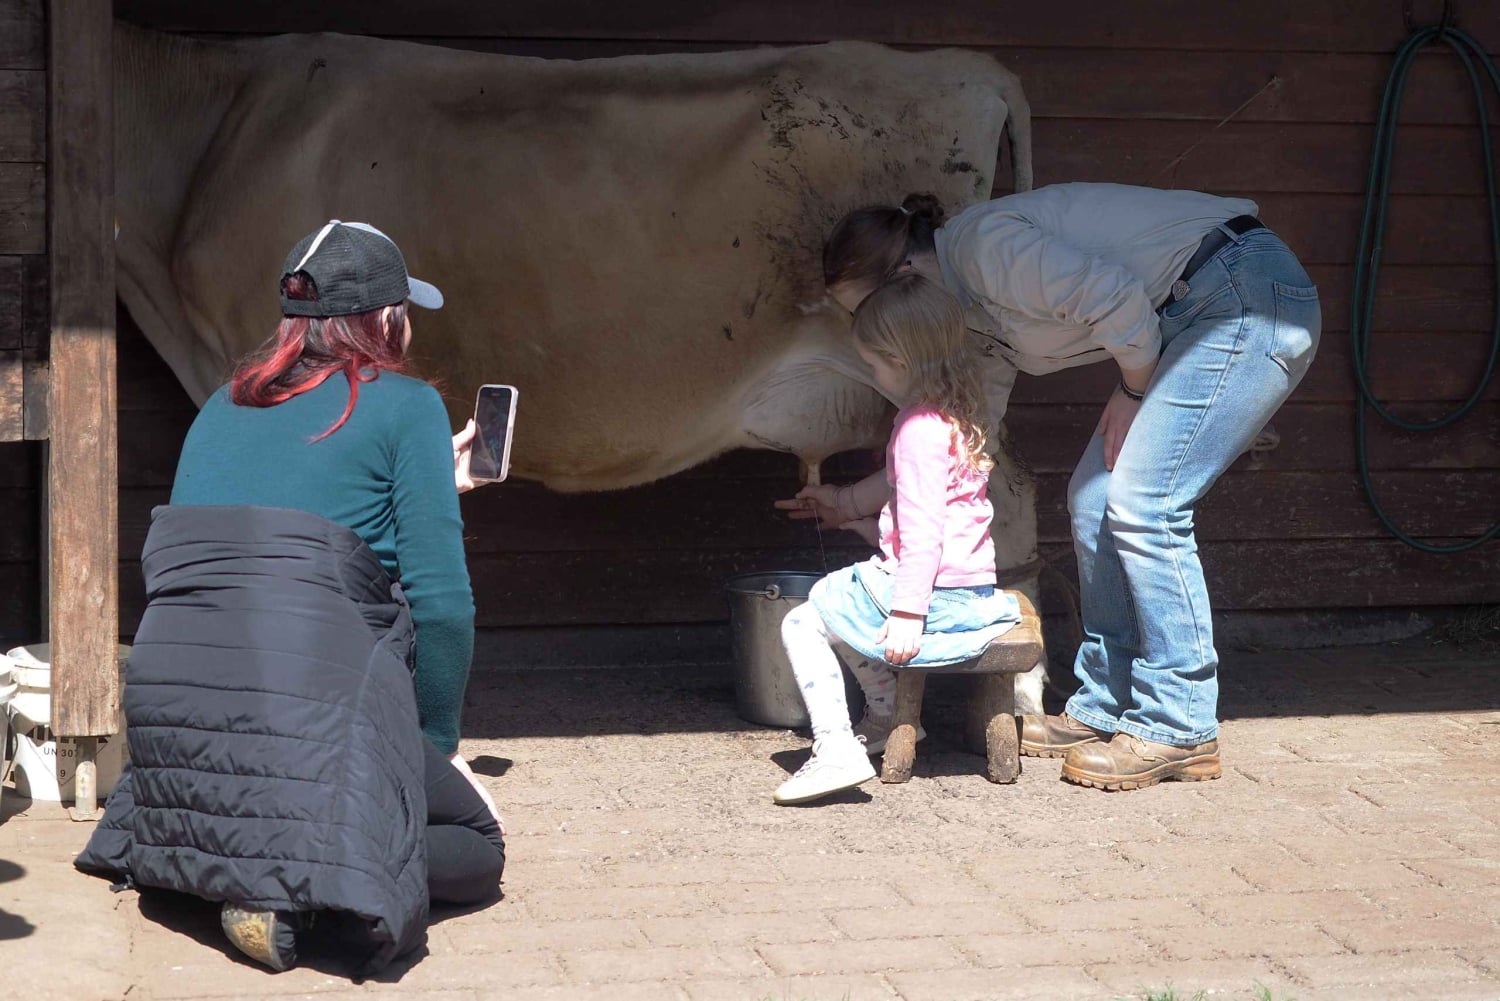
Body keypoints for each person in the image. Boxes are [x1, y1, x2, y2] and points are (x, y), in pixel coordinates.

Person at [75, 220, 506, 974]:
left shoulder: (220, 405)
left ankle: (214, 873)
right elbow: (443, 604)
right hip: (309, 711)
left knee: (267, 795)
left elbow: (269, 538)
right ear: (385, 319)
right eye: (404, 310)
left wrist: (431, 482)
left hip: (176, 726)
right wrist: (439, 748)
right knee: (478, 842)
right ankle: (294, 892)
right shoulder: (407, 407)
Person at [809, 181, 1322, 790]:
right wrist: (850, 499)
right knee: (1094, 499)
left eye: (873, 308)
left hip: (1242, 295)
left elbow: (1115, 297)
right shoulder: (966, 318)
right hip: (1188, 314)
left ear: (904, 276)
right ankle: (1106, 704)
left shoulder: (983, 249)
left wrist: (1132, 389)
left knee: (1146, 505)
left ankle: (1179, 723)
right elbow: (964, 442)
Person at [773, 274, 1022, 805]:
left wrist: (908, 612)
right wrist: (851, 513)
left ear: (900, 360)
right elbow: (931, 509)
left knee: (804, 619)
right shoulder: (957, 412)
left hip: (934, 599)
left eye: (874, 363)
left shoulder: (917, 430)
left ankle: (835, 747)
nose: (872, 373)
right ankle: (886, 715)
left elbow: (926, 529)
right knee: (840, 608)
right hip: (969, 591)